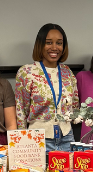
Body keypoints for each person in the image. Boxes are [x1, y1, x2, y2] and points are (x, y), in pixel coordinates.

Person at [15, 23, 79, 151]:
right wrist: (21, 143)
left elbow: (74, 105)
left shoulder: (68, 73)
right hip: (37, 139)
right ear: (40, 45)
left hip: (67, 137)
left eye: (59, 43)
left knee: (67, 171)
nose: (54, 47)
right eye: (49, 42)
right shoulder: (26, 72)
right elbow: (21, 111)